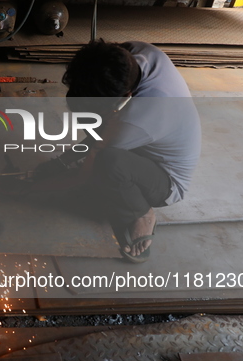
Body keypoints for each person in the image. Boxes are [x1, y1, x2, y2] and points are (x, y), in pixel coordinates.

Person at [34, 40, 201, 263]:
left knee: (108, 162)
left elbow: (83, 175)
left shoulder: (139, 119)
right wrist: (61, 162)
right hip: (144, 144)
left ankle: (142, 214)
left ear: (126, 95)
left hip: (166, 181)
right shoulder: (136, 52)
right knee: (95, 123)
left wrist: (35, 188)